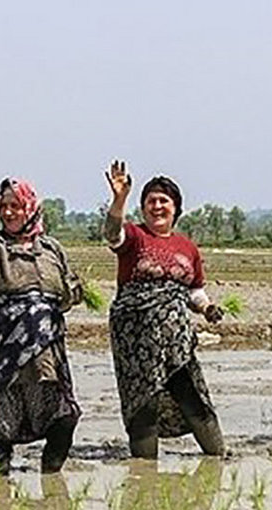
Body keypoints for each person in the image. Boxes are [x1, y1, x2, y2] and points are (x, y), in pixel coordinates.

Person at [102, 160, 225, 459]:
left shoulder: (187, 247)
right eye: (151, 201)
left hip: (176, 341)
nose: (157, 206)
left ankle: (218, 456)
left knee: (191, 394)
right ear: (143, 207)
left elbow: (194, 290)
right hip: (136, 341)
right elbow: (111, 235)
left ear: (176, 208)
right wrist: (119, 200)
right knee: (144, 401)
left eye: (164, 201)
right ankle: (144, 472)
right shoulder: (134, 236)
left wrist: (207, 308)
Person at [0, 178, 82, 474]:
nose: (10, 212)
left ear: (31, 208)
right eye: (4, 207)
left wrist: (75, 292)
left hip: (47, 349)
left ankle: (51, 479)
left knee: (63, 415)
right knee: (3, 421)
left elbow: (68, 290)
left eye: (16, 206)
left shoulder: (52, 248)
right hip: (5, 347)